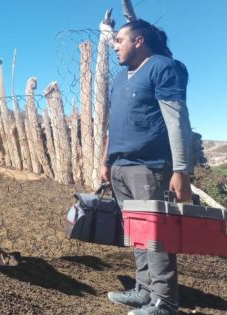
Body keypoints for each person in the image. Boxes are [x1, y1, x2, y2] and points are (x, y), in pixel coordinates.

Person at [100, 19, 194, 315]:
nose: (115, 46)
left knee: (156, 237)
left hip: (149, 166)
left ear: (138, 41)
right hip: (120, 165)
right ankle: (144, 292)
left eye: (119, 41)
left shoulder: (162, 68)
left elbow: (176, 118)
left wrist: (181, 169)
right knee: (137, 234)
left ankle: (166, 303)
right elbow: (112, 125)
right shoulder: (120, 77)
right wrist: (106, 161)